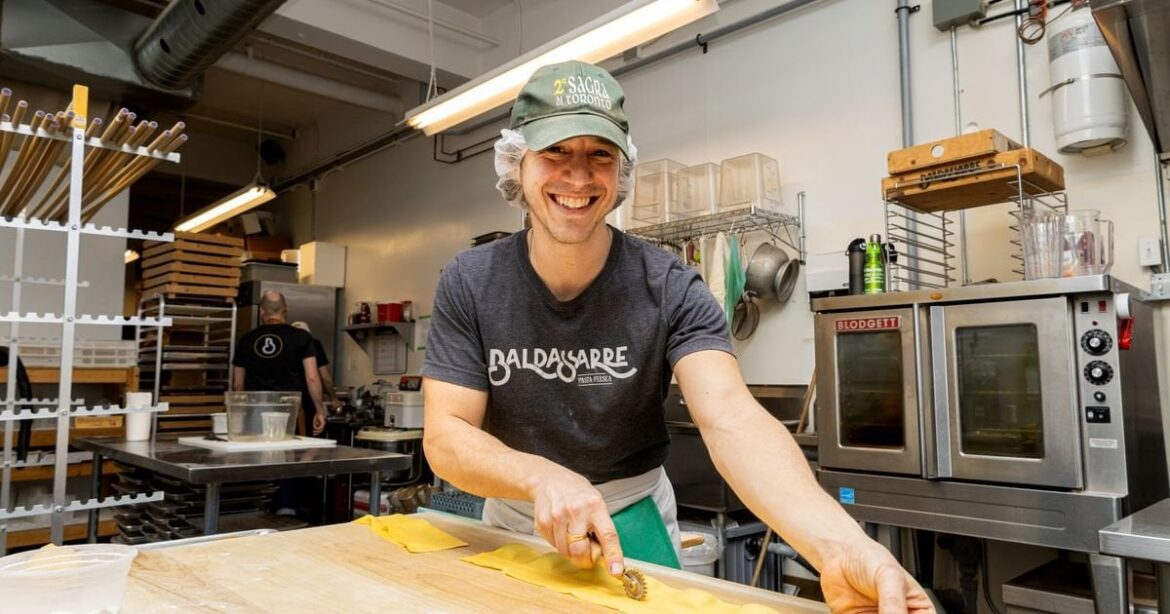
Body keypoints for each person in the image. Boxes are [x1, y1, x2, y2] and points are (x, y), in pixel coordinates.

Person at [420, 60, 932, 612]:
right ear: (516, 164)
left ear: (622, 172)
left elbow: (732, 420)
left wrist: (840, 547)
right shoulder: (470, 281)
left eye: (600, 154)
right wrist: (539, 477)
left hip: (635, 522)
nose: (578, 177)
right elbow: (446, 434)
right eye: (556, 152)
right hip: (519, 521)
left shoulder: (669, 286)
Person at [232, 291, 325, 435]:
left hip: (256, 411)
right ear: (286, 309)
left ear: (262, 310)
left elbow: (238, 385)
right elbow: (312, 377)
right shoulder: (302, 337)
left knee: (256, 453)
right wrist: (319, 410)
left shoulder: (246, 339)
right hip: (290, 411)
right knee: (291, 454)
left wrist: (242, 412)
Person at [290, 321, 339, 419]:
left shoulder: (286, 345)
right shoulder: (313, 344)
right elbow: (324, 376)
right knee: (309, 430)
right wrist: (333, 398)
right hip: (309, 399)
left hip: (287, 399)